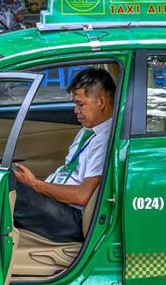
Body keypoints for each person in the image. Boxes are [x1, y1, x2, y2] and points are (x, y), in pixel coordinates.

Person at [12, 68, 115, 243]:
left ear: (101, 102)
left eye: (80, 104)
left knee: (5, 184)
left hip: (71, 217)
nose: (75, 110)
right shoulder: (88, 131)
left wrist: (35, 184)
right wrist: (37, 185)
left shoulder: (105, 141)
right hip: (59, 204)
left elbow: (82, 196)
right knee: (7, 178)